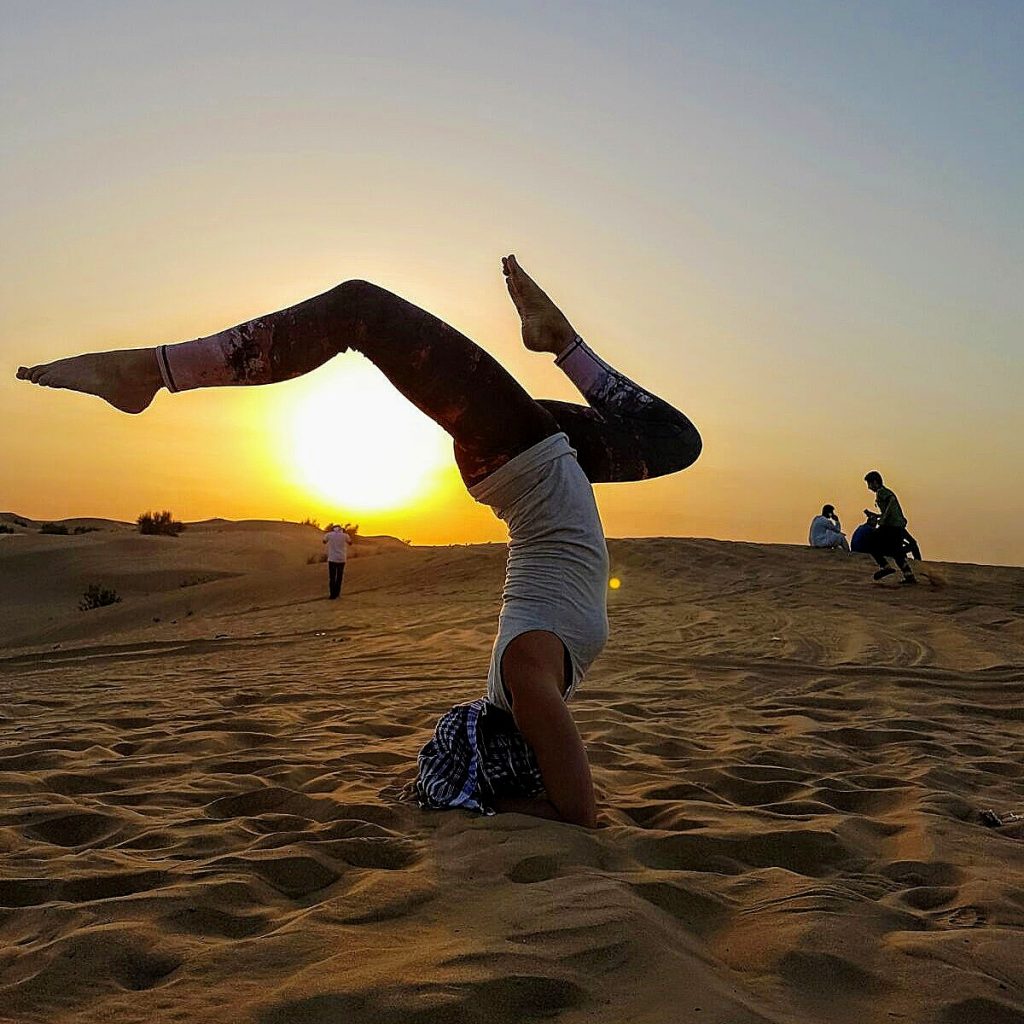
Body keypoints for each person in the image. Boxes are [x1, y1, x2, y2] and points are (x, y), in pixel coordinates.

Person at [16, 254, 701, 827]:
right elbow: (580, 813)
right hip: (539, 464)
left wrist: (487, 805)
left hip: (529, 463)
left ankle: (153, 372)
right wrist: (504, 803)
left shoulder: (529, 672)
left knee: (362, 309)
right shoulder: (527, 678)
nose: (453, 726)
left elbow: (566, 806)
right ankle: (562, 344)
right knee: (675, 442)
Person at [863, 471, 916, 585]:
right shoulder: (884, 492)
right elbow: (890, 508)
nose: (869, 487)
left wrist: (883, 519)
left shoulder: (882, 492)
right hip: (897, 527)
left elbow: (891, 501)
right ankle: (909, 576)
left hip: (891, 527)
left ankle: (885, 566)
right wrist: (875, 515)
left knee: (870, 541)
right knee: (896, 552)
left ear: (875, 482)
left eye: (869, 484)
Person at [322, 524, 351, 599]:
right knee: (339, 577)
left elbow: (324, 541)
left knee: (332, 577)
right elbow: (350, 543)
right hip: (341, 559)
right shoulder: (345, 535)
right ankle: (337, 593)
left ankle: (332, 595)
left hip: (332, 559)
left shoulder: (329, 534)